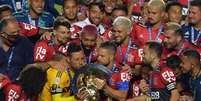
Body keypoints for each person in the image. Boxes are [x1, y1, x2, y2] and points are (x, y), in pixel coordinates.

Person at [0, 16, 34, 81]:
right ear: (3, 34)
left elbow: (31, 65)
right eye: (13, 33)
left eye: (18, 31)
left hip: (17, 84)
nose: (16, 34)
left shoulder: (24, 42)